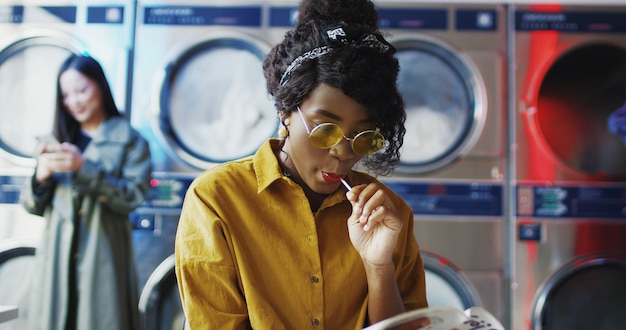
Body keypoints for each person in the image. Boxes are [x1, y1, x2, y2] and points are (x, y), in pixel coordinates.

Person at [174, 0, 428, 328]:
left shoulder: (389, 215)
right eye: (325, 129)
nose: (343, 152)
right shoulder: (218, 198)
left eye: (363, 136)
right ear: (286, 112)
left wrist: (378, 266)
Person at [20, 54, 152, 330]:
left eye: (81, 90)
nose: (74, 101)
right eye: (66, 95)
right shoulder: (58, 139)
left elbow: (133, 198)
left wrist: (84, 168)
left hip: (102, 259)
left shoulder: (129, 140)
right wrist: (40, 177)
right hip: (55, 261)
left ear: (100, 86)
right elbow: (31, 205)